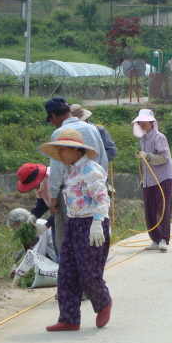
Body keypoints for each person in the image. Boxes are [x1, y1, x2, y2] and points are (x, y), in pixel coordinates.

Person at [38, 129, 112, 331]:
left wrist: (98, 223)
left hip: (92, 224)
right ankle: (69, 318)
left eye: (62, 151)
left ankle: (103, 302)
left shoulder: (90, 170)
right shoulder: (69, 170)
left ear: (74, 149)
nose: (60, 156)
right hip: (73, 223)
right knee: (67, 272)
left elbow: (103, 197)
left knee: (88, 273)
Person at [44, 97, 108, 260]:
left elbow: (57, 167)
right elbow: (103, 158)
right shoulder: (92, 128)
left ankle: (68, 265)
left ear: (53, 116)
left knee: (66, 233)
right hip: (94, 186)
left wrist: (53, 196)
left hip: (71, 191)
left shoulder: (59, 134)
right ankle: (90, 261)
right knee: (91, 233)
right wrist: (102, 182)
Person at [133, 109, 172, 253]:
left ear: (152, 122)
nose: (141, 123)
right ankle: (155, 239)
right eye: (139, 121)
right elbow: (146, 162)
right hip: (150, 179)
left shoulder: (159, 137)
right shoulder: (143, 139)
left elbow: (164, 158)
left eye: (144, 120)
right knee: (150, 211)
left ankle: (163, 239)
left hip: (164, 177)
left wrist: (147, 156)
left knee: (162, 209)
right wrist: (144, 179)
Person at [5, 208, 57, 278]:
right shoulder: (27, 232)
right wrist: (20, 269)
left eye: (14, 228)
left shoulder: (39, 225)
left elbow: (39, 252)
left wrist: (22, 271)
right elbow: (29, 253)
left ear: (18, 224)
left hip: (56, 257)